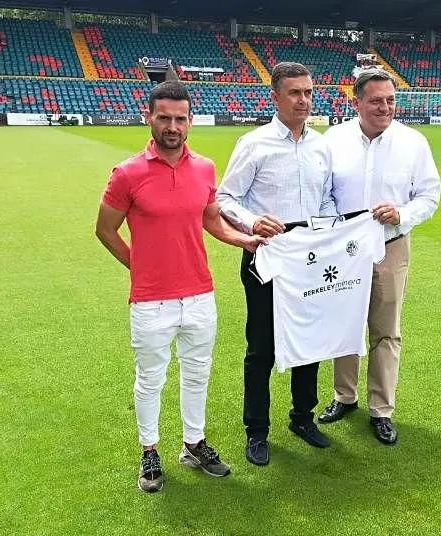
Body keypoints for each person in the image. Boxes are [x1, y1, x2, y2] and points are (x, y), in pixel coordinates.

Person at [95, 81, 265, 493]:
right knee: (150, 378)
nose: (173, 126)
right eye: (164, 117)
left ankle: (194, 443)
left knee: (197, 374)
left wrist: (244, 239)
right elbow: (105, 230)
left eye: (180, 118)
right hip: (151, 300)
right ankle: (149, 450)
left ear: (190, 121)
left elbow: (210, 219)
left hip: (200, 294)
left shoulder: (204, 168)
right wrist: (142, 268)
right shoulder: (128, 173)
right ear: (149, 117)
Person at [217, 62, 336, 466]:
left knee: (310, 343)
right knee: (262, 348)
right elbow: (224, 199)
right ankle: (257, 431)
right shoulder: (255, 143)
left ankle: (302, 418)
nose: (303, 100)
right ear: (275, 97)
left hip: (309, 262)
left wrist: (330, 225)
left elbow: (327, 200)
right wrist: (253, 222)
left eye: (307, 92)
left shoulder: (321, 145)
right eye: (294, 93)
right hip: (265, 258)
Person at [317, 69, 441, 445]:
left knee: (386, 330)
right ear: (356, 102)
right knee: (345, 325)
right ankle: (345, 396)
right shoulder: (334, 139)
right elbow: (322, 192)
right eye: (375, 100)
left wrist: (401, 213)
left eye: (389, 100)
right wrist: (335, 223)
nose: (384, 107)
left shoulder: (413, 142)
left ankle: (381, 409)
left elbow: (429, 195)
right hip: (345, 250)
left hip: (391, 246)